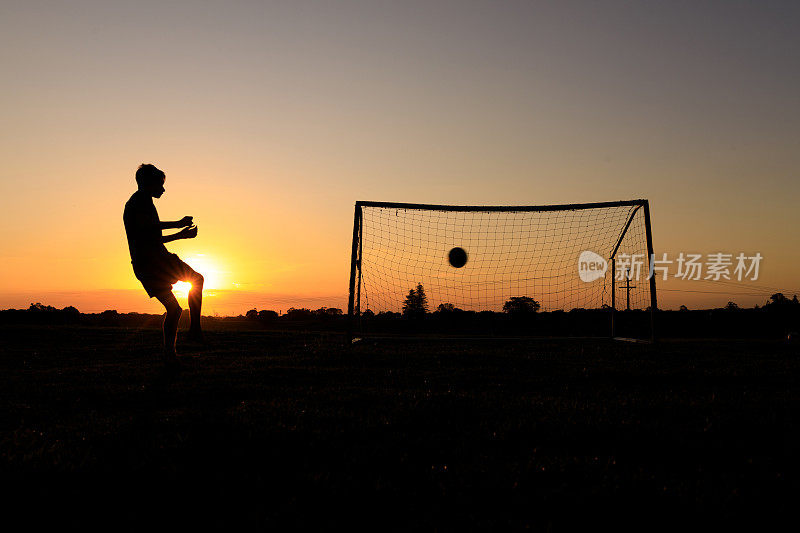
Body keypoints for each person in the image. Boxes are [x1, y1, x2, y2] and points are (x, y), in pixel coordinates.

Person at [124, 164, 204, 367]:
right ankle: (194, 331)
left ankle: (170, 355)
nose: (163, 189)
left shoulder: (144, 203)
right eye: (160, 184)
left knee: (174, 310)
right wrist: (178, 225)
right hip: (155, 264)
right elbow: (149, 230)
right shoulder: (138, 202)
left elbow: (152, 238)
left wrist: (181, 235)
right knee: (196, 281)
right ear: (148, 183)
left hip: (148, 265)